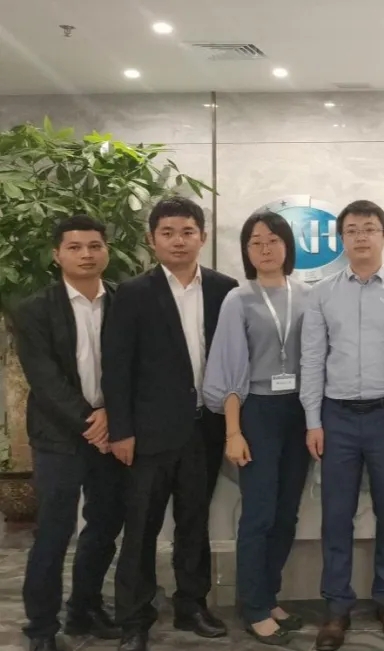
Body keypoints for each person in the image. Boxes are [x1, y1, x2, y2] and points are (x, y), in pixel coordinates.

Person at [102, 196, 239, 651]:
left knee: (194, 523)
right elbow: (116, 368)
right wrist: (121, 431)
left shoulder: (225, 289)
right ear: (152, 239)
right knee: (141, 528)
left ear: (202, 237)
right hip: (148, 435)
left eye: (187, 232)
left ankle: (191, 604)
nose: (178, 241)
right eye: (168, 233)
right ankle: (134, 618)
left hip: (205, 429)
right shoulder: (132, 293)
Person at [300, 199, 384, 650]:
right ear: (341, 239)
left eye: (369, 228)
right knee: (336, 515)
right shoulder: (322, 293)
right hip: (337, 417)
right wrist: (313, 420)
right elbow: (312, 359)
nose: (361, 237)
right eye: (352, 230)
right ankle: (336, 607)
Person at [12, 215, 126, 651]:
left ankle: (85, 609)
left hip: (113, 432)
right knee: (54, 531)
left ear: (106, 251)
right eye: (75, 247)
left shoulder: (125, 301)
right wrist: (90, 422)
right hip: (59, 437)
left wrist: (112, 415)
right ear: (57, 254)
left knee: (105, 525)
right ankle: (41, 627)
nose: (86, 254)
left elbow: (137, 365)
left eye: (95, 246)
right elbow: (45, 379)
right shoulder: (34, 309)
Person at [202, 211, 312, 645]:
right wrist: (234, 431)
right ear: (246, 251)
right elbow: (229, 367)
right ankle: (253, 607)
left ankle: (268, 595)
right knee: (260, 512)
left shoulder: (309, 295)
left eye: (273, 240)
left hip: (300, 411)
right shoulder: (238, 299)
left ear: (287, 246)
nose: (265, 249)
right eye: (255, 242)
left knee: (287, 513)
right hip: (258, 412)